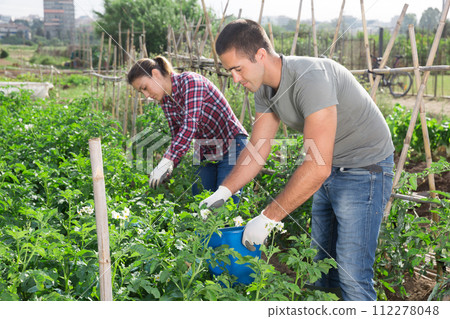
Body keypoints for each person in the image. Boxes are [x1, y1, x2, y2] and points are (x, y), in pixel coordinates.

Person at [199, 19, 394, 301]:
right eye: (230, 71)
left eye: (237, 69)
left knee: (352, 273)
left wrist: (267, 218)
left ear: (261, 55)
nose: (235, 79)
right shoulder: (265, 89)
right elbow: (257, 150)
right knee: (320, 269)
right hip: (329, 167)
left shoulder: (310, 77)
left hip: (365, 167)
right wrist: (224, 190)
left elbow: (316, 166)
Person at [127, 56, 248, 200]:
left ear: (155, 74)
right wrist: (169, 166)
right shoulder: (166, 101)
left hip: (232, 144)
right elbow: (177, 135)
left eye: (145, 88)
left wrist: (167, 159)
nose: (146, 95)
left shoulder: (190, 82)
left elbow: (189, 125)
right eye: (142, 93)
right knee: (201, 202)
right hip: (205, 149)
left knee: (225, 205)